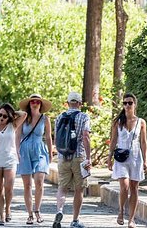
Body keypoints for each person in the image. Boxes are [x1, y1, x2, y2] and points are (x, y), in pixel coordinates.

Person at [107, 93, 147, 228]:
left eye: (130, 103)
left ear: (135, 104)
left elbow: (143, 142)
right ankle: (121, 211)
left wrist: (146, 160)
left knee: (134, 188)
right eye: (125, 103)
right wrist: (109, 157)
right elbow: (113, 141)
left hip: (136, 158)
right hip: (121, 158)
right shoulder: (117, 122)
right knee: (124, 186)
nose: (127, 105)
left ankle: (131, 219)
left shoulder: (141, 122)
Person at [52, 92, 92, 228]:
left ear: (68, 103)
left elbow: (56, 137)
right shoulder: (84, 117)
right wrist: (89, 158)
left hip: (63, 157)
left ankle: (59, 211)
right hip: (79, 157)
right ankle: (75, 220)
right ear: (80, 103)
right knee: (79, 189)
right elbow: (86, 137)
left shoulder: (59, 117)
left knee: (62, 188)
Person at [0, 103, 27, 225]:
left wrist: (13, 114)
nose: (2, 118)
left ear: (9, 117)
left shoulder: (13, 125)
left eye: (5, 116)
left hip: (10, 160)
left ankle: (8, 208)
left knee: (8, 188)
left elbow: (24, 114)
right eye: (0, 115)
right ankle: (1, 216)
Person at [17, 93, 53, 225]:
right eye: (32, 101)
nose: (35, 103)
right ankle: (30, 214)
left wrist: (50, 152)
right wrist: (16, 151)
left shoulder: (45, 119)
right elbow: (17, 135)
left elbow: (48, 137)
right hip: (25, 150)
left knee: (39, 181)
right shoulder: (23, 118)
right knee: (27, 185)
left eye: (38, 102)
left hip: (40, 150)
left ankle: (37, 210)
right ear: (29, 104)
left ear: (41, 104)